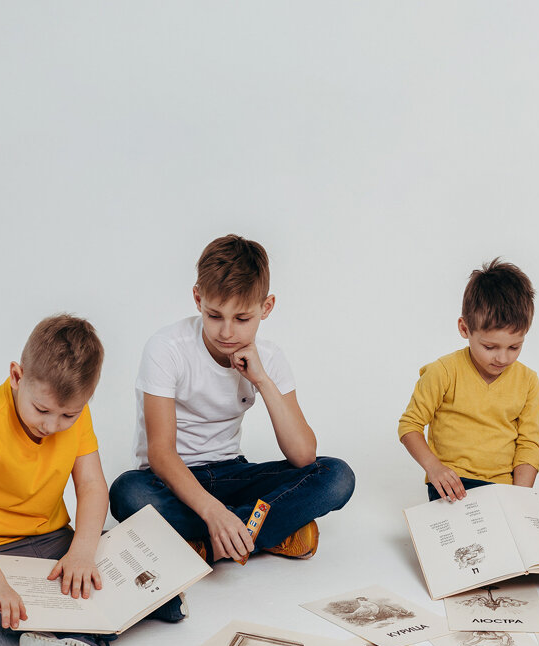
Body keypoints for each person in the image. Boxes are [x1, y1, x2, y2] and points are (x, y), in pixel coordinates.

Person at [109, 235, 355, 576]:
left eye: (242, 319)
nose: (226, 332)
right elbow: (161, 454)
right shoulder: (166, 348)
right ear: (198, 298)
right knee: (127, 493)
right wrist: (213, 512)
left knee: (337, 476)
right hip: (170, 481)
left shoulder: (270, 358)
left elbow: (303, 456)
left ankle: (206, 545)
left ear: (266, 308)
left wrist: (262, 380)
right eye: (215, 315)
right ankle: (263, 533)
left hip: (232, 473)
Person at [0, 315, 113, 646]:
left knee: (103, 567)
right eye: (41, 409)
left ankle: (119, 615)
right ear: (17, 376)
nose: (51, 426)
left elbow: (92, 486)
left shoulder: (79, 414)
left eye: (68, 415)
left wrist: (82, 552)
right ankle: (68, 641)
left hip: (51, 537)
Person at [398, 258, 539, 501]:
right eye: (490, 347)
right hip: (453, 483)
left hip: (503, 487)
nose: (503, 358)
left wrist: (520, 497)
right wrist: (434, 468)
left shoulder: (528, 381)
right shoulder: (443, 371)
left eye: (514, 347)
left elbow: (528, 444)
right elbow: (409, 425)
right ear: (465, 329)